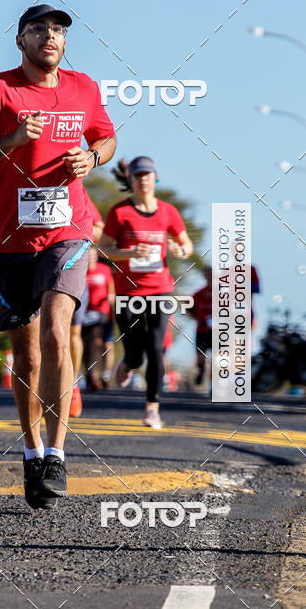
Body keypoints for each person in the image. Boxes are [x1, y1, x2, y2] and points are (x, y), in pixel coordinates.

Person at [0, 3, 116, 508]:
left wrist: (92, 157)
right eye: (39, 29)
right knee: (25, 352)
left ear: (65, 43)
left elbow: (107, 138)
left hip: (69, 231)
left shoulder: (85, 87)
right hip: (9, 240)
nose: (51, 36)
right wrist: (13, 140)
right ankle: (31, 451)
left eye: (59, 30)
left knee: (56, 327)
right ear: (19, 39)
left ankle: (59, 455)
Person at [101, 157, 193, 428]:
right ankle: (129, 362)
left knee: (155, 348)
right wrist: (128, 252)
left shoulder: (168, 212)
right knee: (136, 353)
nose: (143, 179)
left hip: (160, 290)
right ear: (130, 180)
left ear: (155, 178)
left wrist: (180, 250)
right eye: (138, 175)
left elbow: (185, 244)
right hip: (127, 292)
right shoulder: (119, 212)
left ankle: (152, 408)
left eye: (147, 174)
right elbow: (104, 248)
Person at [69, 192, 104, 416]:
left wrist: (74, 232)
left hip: (72, 270)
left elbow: (100, 228)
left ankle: (72, 384)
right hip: (33, 268)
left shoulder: (75, 186)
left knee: (73, 333)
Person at [82, 245, 115, 390]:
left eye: (93, 256)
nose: (91, 259)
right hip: (84, 313)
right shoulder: (80, 271)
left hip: (102, 312)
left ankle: (103, 374)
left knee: (101, 343)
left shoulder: (105, 270)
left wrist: (110, 297)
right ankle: (89, 374)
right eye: (88, 256)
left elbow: (112, 291)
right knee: (85, 345)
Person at [189, 266, 212, 385]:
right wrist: (196, 318)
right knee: (200, 357)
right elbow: (187, 307)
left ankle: (215, 382)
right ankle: (201, 371)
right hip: (202, 330)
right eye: (208, 275)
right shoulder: (198, 294)